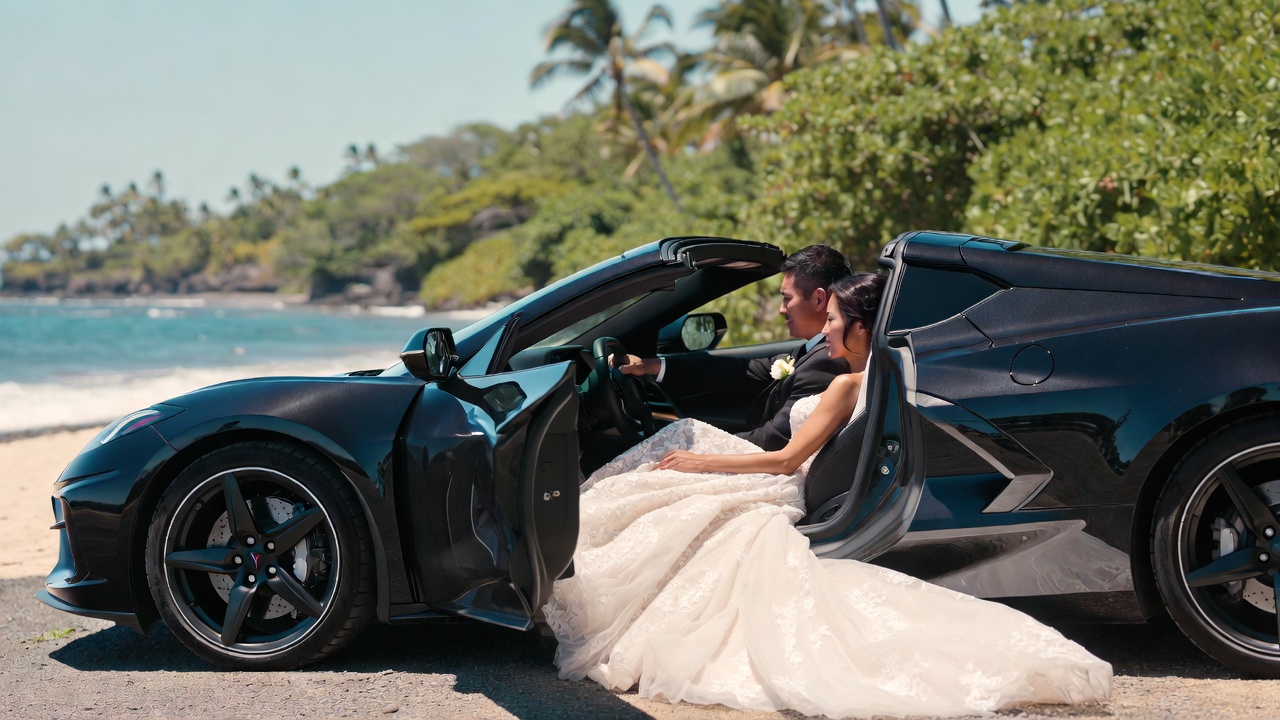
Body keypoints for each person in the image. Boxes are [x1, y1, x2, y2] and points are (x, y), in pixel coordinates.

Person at [544, 272, 1112, 718]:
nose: (828, 329)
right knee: (658, 469)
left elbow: (789, 460)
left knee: (655, 471)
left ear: (861, 328)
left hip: (780, 478)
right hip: (786, 475)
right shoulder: (877, 378)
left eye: (835, 319)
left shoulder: (845, 382)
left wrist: (703, 461)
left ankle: (550, 569)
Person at [616, 244, 852, 451]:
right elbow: (735, 371)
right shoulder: (811, 351)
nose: (781, 309)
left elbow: (775, 439)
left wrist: (702, 450)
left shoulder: (825, 362)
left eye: (787, 298)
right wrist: (652, 365)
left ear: (819, 299)